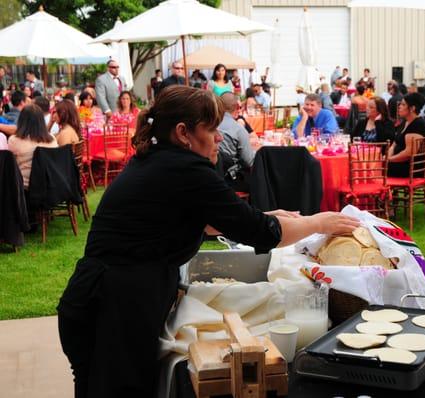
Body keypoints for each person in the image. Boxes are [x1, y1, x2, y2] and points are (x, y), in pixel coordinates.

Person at [56, 85, 359, 398]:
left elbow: (199, 221)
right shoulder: (185, 168)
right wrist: (318, 222)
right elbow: (262, 232)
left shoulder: (159, 159)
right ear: (183, 132)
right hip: (112, 310)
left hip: (99, 301)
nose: (219, 137)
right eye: (212, 128)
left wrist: (268, 215)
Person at [7, 104, 58, 189]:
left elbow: (10, 166)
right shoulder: (52, 139)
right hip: (48, 186)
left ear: (21, 120)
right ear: (41, 121)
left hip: (23, 187)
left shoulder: (14, 140)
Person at [388, 93, 425, 178]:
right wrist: (388, 157)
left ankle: (378, 190)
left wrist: (389, 159)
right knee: (377, 164)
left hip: (414, 168)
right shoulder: (406, 122)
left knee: (377, 167)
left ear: (412, 108)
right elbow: (394, 144)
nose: (399, 106)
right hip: (402, 163)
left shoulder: (417, 125)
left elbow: (408, 154)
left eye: (403, 104)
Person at [218, 92, 255, 192]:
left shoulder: (210, 122)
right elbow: (248, 161)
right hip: (229, 180)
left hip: (208, 175)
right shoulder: (238, 129)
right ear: (237, 107)